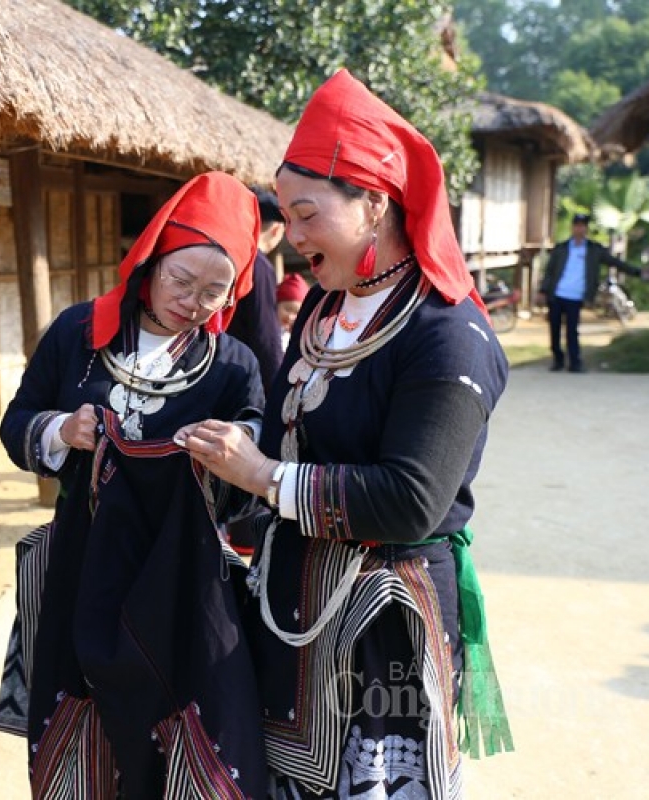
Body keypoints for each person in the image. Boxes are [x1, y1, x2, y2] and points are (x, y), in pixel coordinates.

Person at [177, 70, 513, 799]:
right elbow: (284, 428)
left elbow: (410, 500)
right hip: (293, 605)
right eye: (285, 218)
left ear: (374, 202)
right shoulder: (325, 311)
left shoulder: (447, 335)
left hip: (386, 616)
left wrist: (262, 475)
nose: (290, 237)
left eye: (305, 215)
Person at [0, 171, 269, 798]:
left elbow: (252, 470)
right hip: (82, 562)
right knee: (84, 721)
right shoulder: (77, 335)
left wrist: (231, 456)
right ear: (151, 259)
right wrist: (63, 430)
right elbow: (17, 424)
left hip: (185, 581)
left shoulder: (232, 366)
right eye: (181, 279)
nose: (193, 301)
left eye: (214, 291)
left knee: (191, 716)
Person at [538, 211, 643, 373]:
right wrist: (543, 290)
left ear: (586, 229)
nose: (579, 229)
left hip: (575, 296)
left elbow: (614, 262)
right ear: (572, 228)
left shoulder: (594, 250)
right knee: (555, 329)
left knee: (572, 331)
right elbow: (549, 272)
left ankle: (575, 362)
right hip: (557, 294)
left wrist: (637, 272)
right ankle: (557, 360)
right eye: (577, 226)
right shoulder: (562, 249)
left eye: (582, 226)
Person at [229, 185, 290, 393]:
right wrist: (278, 391)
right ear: (276, 230)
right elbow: (266, 337)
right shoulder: (259, 265)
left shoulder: (227, 257)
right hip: (242, 373)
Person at [275, 271, 310, 349]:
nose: (290, 316)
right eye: (287, 309)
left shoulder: (304, 335)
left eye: (297, 313)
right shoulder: (270, 330)